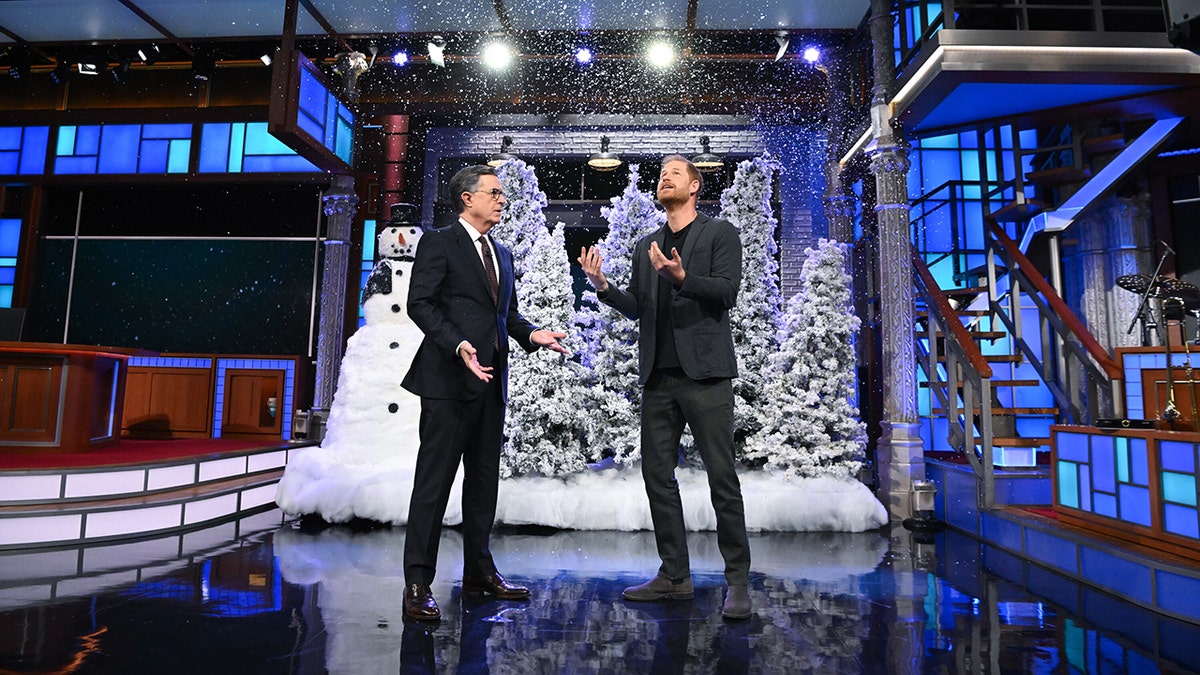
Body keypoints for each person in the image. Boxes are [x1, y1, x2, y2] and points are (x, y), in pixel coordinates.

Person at [577, 155, 752, 620]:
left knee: (722, 478)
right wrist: (602, 286)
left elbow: (726, 291)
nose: (664, 178)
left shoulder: (719, 233)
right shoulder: (647, 245)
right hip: (659, 378)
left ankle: (737, 582)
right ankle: (674, 576)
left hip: (706, 376)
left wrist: (682, 278)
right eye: (661, 174)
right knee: (658, 476)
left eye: (675, 173)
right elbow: (638, 306)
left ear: (694, 186)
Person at [401, 165, 568, 621]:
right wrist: (458, 344)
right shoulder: (439, 242)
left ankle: (479, 572)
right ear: (467, 198)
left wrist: (532, 334)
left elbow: (505, 315)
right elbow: (420, 304)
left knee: (482, 485)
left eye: (501, 194)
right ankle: (417, 584)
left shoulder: (502, 253)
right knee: (433, 485)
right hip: (448, 383)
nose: (501, 200)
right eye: (493, 193)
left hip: (491, 383)